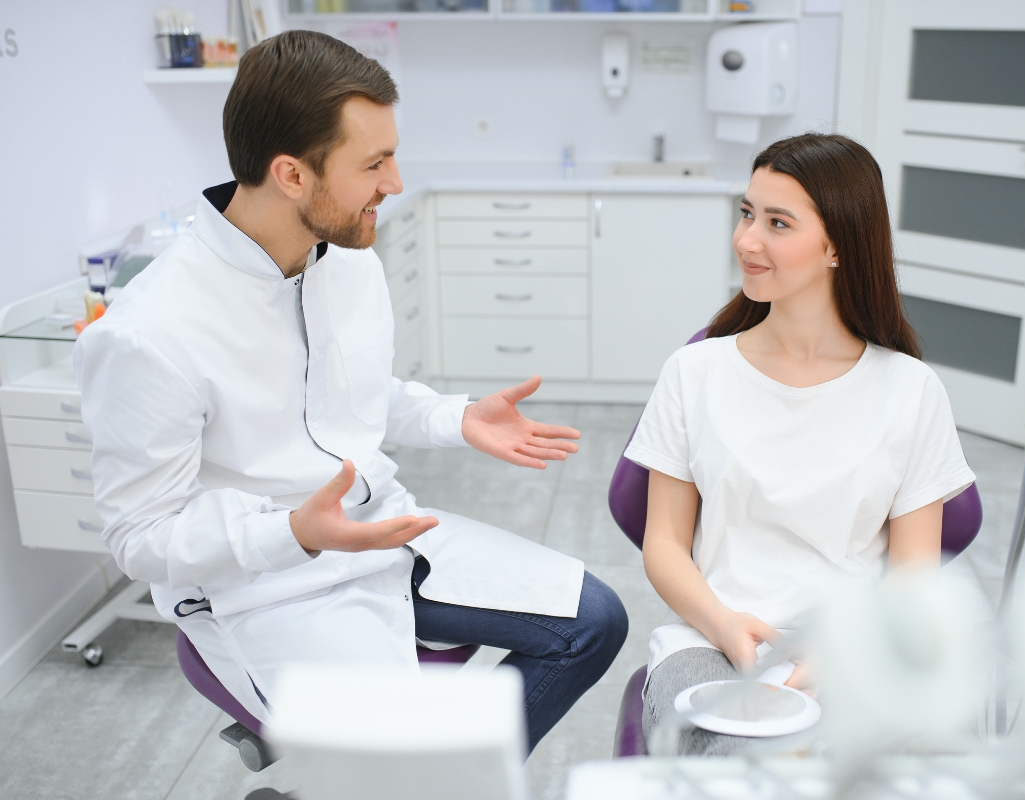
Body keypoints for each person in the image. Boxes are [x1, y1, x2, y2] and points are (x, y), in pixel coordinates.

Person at [74, 30, 626, 753]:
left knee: (595, 622)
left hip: (383, 532)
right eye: (374, 163)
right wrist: (293, 532)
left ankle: (447, 777)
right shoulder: (149, 332)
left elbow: (351, 399)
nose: (394, 183)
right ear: (291, 174)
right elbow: (139, 536)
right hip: (261, 587)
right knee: (401, 758)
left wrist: (455, 417)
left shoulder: (346, 259)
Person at [625, 134, 976, 755]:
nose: (746, 240)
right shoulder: (695, 372)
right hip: (709, 643)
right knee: (741, 764)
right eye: (747, 214)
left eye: (777, 223)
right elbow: (665, 544)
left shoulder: (910, 389)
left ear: (838, 244)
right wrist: (725, 626)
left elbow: (911, 577)